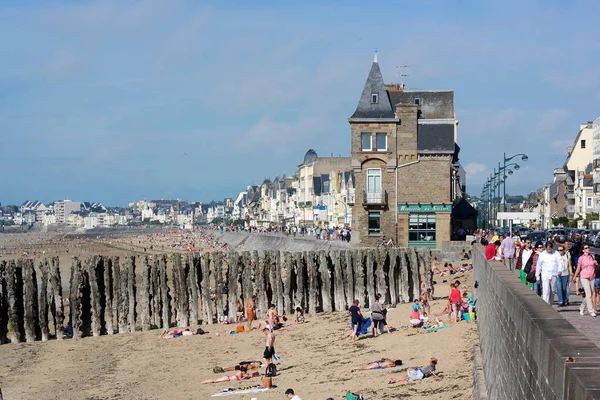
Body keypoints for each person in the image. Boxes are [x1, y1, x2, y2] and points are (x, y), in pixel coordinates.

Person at [572, 244, 597, 317]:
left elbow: (594, 266)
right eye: (586, 248)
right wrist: (574, 276)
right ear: (583, 250)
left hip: (592, 276)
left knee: (590, 294)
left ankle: (582, 306)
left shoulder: (592, 256)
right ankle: (591, 310)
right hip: (584, 276)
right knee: (588, 293)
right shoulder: (581, 258)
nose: (588, 249)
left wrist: (595, 263)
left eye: (588, 247)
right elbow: (578, 268)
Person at [536, 241, 561, 305]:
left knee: (552, 291)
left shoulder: (556, 253)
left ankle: (550, 304)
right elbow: (538, 266)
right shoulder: (542, 255)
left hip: (554, 274)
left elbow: (560, 262)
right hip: (545, 274)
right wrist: (537, 276)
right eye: (547, 249)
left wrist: (560, 270)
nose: (549, 250)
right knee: (546, 291)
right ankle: (545, 305)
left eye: (550, 249)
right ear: (545, 248)